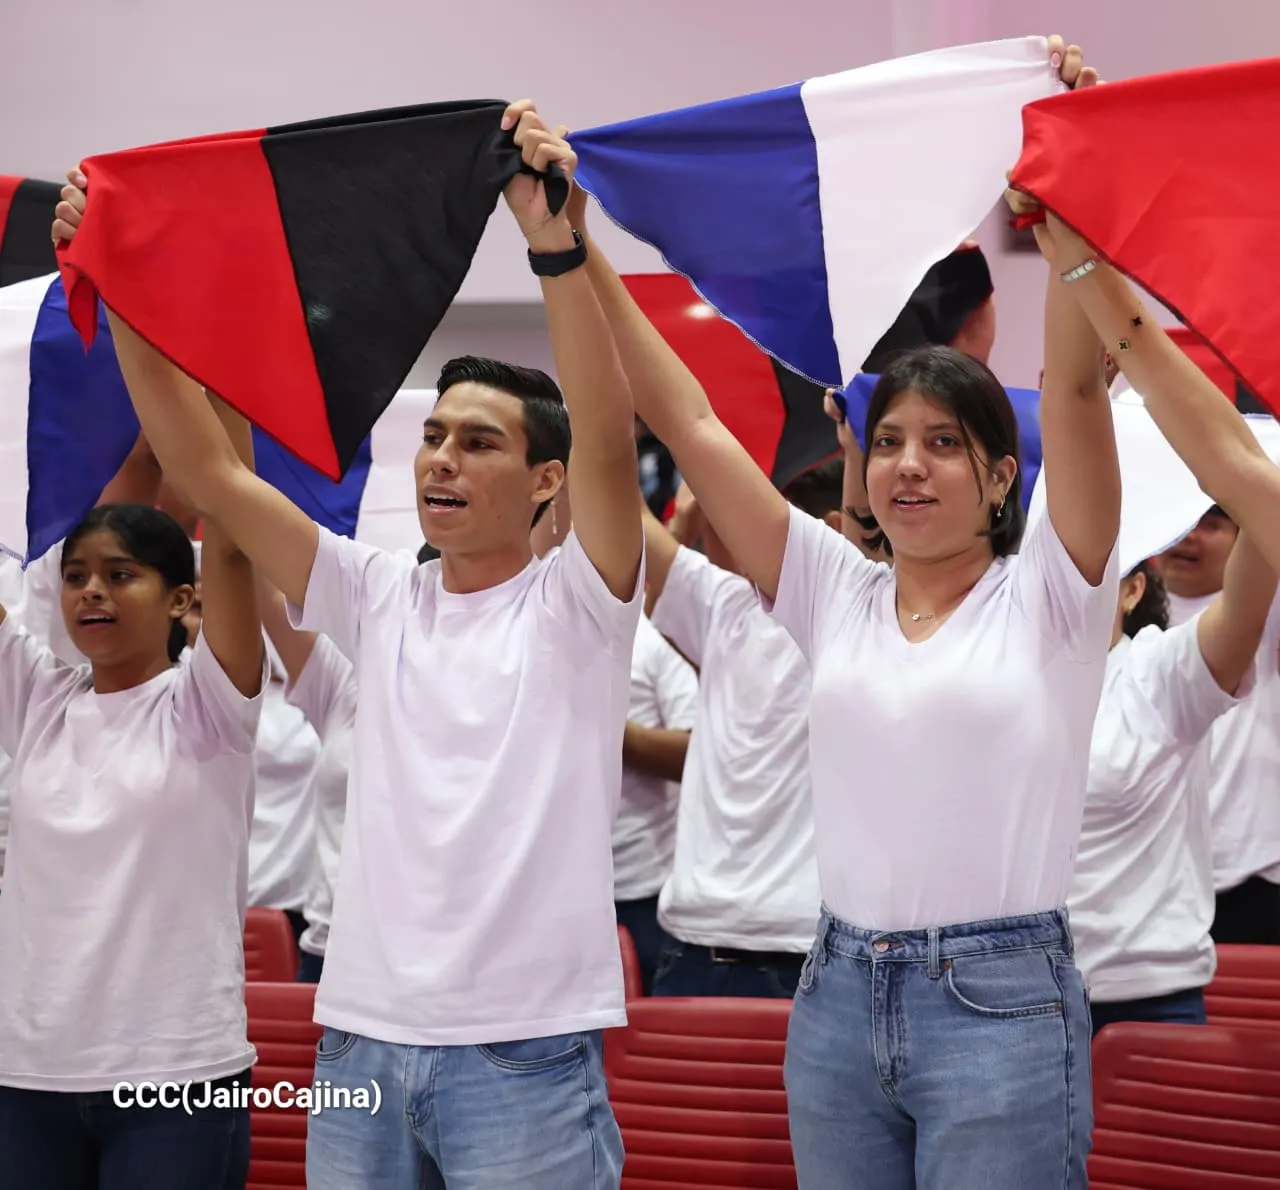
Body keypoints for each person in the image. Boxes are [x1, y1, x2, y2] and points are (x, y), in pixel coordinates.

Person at [56, 101, 642, 1190]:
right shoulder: (376, 594)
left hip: (521, 1051)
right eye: (434, 437)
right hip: (359, 1041)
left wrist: (555, 246)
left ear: (545, 481)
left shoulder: (579, 604)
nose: (442, 460)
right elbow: (212, 474)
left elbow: (608, 436)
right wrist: (121, 282)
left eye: (479, 443)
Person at [567, 38, 1117, 1187]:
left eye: (943, 444)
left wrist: (1078, 182)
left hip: (1000, 1005)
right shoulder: (832, 588)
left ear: (1000, 477)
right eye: (888, 442)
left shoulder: (1051, 593)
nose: (906, 465)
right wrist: (570, 245)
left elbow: (1074, 386)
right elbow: (691, 424)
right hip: (832, 993)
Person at [0, 405, 265, 1189]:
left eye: (120, 575)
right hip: (28, 1074)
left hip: (174, 1078)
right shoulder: (38, 700)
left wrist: (225, 391)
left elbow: (234, 532)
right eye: (76, 576)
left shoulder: (208, 708)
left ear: (182, 599)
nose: (92, 592)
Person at [1070, 529, 1278, 1034]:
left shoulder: (1156, 669)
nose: (1068, 584)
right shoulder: (1004, 681)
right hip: (1013, 989)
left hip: (1147, 991)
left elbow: (1262, 545)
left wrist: (1237, 486)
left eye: (1092, 570)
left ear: (1132, 590)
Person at [640, 471, 835, 1000]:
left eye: (768, 518)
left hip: (804, 953)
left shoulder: (856, 615)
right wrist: (689, 507)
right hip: (689, 946)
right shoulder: (726, 603)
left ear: (834, 530)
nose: (749, 530)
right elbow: (628, 516)